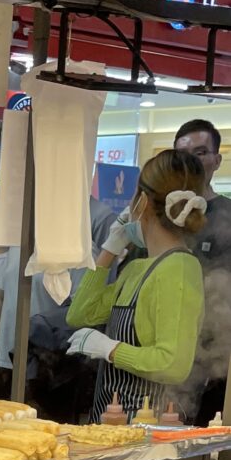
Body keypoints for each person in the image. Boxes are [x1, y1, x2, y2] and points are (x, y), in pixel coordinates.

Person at [66, 150, 206, 423]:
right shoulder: (137, 268)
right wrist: (109, 248)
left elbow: (173, 363)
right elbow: (79, 314)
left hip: (146, 431)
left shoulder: (179, 268)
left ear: (141, 202)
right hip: (110, 422)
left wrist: (111, 349)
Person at [0, 196, 116, 412]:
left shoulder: (79, 253)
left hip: (46, 372)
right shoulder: (19, 246)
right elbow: (2, 300)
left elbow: (82, 314)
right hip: (6, 364)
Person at [173, 119, 231, 423]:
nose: (189, 163)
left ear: (216, 160)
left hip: (212, 357)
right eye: (182, 154)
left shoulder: (228, 217)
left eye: (200, 153)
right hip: (163, 354)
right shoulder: (159, 215)